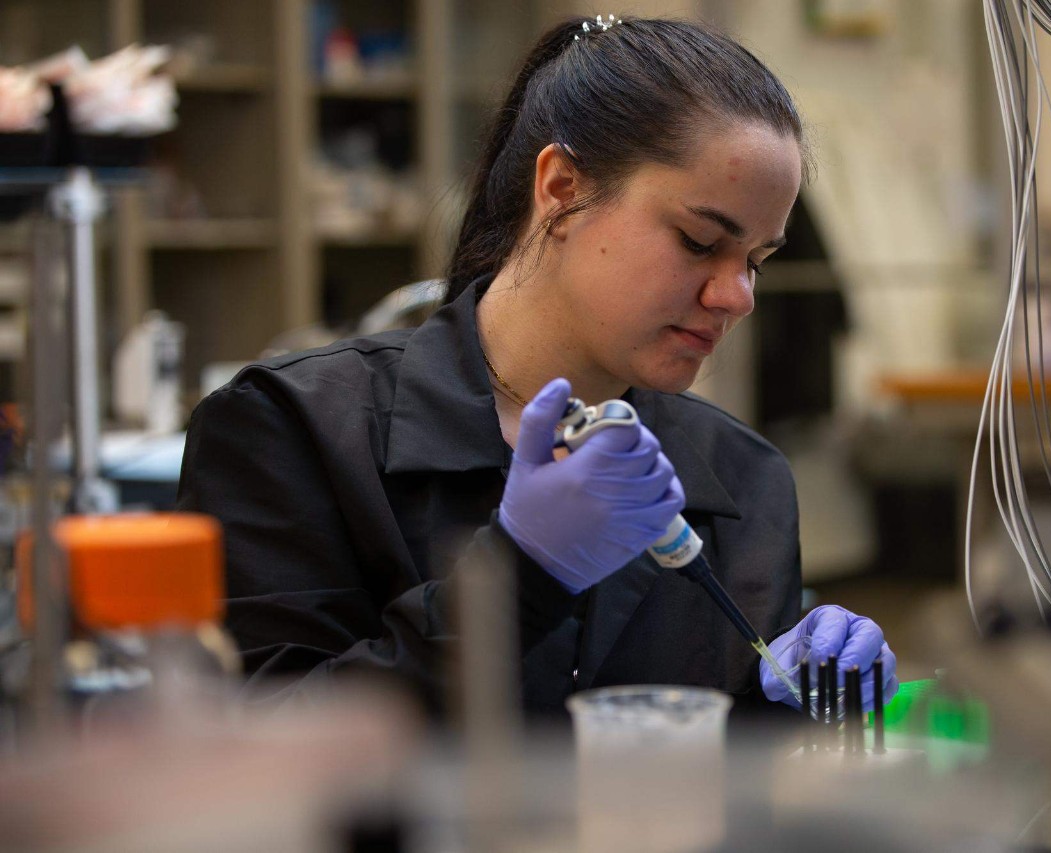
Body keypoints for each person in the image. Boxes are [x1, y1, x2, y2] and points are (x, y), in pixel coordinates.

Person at [177, 15, 898, 717]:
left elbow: (733, 796)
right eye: (699, 239)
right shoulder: (290, 430)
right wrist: (519, 577)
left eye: (757, 263)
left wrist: (800, 707)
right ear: (560, 188)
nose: (735, 296)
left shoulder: (745, 479)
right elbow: (258, 764)